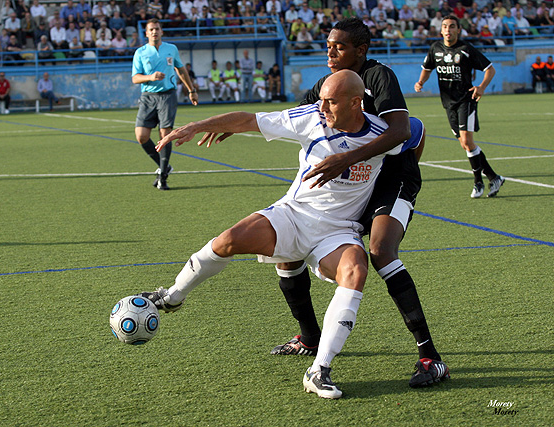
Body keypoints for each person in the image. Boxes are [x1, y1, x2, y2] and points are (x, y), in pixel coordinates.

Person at [140, 70, 424, 399]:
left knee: (356, 270)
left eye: (331, 101)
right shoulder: (310, 118)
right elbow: (249, 120)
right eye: (321, 99)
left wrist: (398, 189)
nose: (322, 107)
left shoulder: (382, 135)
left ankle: (320, 370)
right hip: (293, 215)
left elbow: (414, 133)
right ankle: (172, 296)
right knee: (227, 241)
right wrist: (196, 126)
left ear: (356, 102)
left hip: (338, 231)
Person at [415, 15, 505, 198]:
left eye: (452, 27)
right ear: (441, 31)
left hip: (466, 100)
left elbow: (490, 69)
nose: (448, 30)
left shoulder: (466, 49)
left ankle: (478, 183)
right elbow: (427, 68)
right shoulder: (435, 49)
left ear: (458, 30)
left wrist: (481, 87)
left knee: (467, 142)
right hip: (448, 104)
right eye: (445, 27)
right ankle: (494, 177)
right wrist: (420, 82)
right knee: (466, 145)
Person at [131, 19, 198, 191]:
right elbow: (135, 78)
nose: (154, 32)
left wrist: (191, 90)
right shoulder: (140, 52)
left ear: (162, 31)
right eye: (151, 30)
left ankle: (163, 177)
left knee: (165, 134)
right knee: (141, 136)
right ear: (146, 33)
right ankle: (164, 166)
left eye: (157, 29)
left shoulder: (171, 49)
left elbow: (181, 70)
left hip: (167, 95)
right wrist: (150, 77)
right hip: (148, 96)